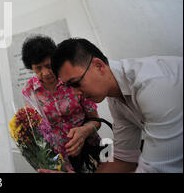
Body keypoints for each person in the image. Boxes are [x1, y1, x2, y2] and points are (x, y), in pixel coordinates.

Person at [51, 38, 183, 173]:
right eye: (69, 87)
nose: (74, 94)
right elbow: (124, 159)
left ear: (98, 66)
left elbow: (156, 169)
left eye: (75, 83)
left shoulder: (153, 85)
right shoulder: (115, 98)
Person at [21, 35, 102, 172]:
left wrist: (84, 132)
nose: (45, 73)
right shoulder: (29, 92)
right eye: (38, 68)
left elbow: (96, 120)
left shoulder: (70, 80)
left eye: (48, 65)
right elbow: (37, 130)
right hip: (61, 159)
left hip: (90, 149)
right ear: (31, 68)